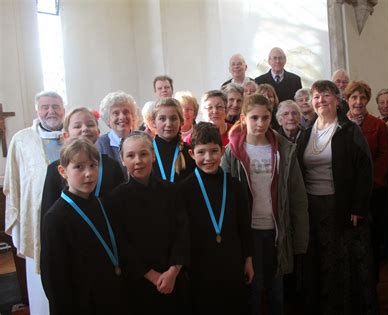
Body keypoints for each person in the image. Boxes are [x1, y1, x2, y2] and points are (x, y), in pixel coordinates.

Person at [221, 94, 309, 315]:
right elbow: (223, 196)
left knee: (276, 289)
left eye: (265, 117)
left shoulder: (285, 150)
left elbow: (298, 197)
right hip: (248, 232)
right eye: (254, 118)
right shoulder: (233, 152)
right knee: (253, 287)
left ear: (272, 118)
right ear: (243, 118)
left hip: (277, 230)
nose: (260, 123)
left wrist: (300, 239)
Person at [298, 80, 377, 314]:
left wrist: (358, 207)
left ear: (337, 99)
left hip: (340, 205)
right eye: (316, 97)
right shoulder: (306, 132)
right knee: (318, 260)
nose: (321, 100)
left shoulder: (349, 130)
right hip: (312, 205)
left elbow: (365, 171)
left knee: (340, 261)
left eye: (326, 95)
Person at [40, 138, 127, 314]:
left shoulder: (102, 205)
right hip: (81, 304)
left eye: (93, 166)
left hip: (111, 299)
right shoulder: (55, 218)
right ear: (63, 171)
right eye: (79, 167)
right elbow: (55, 280)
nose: (88, 173)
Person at [110, 131, 189, 313]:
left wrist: (173, 271)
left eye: (144, 154)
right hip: (138, 282)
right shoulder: (115, 200)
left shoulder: (171, 192)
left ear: (153, 156)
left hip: (173, 279)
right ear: (122, 160)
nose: (138, 161)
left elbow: (182, 234)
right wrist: (152, 276)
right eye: (130, 155)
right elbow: (121, 244)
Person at [180, 122, 254, 315]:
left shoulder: (235, 186)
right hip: (200, 267)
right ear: (191, 154)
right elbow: (182, 233)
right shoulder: (183, 190)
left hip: (232, 263)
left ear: (222, 151)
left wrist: (248, 259)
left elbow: (243, 225)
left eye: (213, 151)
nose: (208, 158)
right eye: (201, 152)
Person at [4, 91, 65, 315]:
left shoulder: (73, 135)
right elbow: (13, 183)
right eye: (45, 107)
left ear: (64, 109)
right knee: (42, 287)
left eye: (56, 106)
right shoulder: (21, 140)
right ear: (37, 110)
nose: (51, 111)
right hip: (36, 220)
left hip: (72, 217)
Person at [345, 81, 388, 279]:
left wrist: (370, 183)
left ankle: (372, 279)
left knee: (372, 237)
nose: (358, 102)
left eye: (362, 97)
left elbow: (384, 155)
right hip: (346, 191)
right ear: (347, 100)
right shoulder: (339, 123)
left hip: (373, 191)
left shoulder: (378, 125)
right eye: (354, 97)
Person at [41, 107, 125, 219]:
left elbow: (121, 204)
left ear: (98, 132)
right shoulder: (54, 168)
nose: (85, 129)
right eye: (77, 126)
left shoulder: (111, 165)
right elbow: (48, 210)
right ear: (66, 135)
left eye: (90, 125)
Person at [147, 98, 195, 183]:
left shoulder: (189, 152)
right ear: (154, 122)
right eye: (162, 119)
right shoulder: (146, 152)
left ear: (181, 122)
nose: (168, 124)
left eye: (173, 118)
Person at [96, 91, 140, 177]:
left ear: (132, 116)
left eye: (126, 112)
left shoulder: (144, 138)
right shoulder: (100, 144)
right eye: (116, 113)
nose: (122, 117)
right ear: (108, 120)